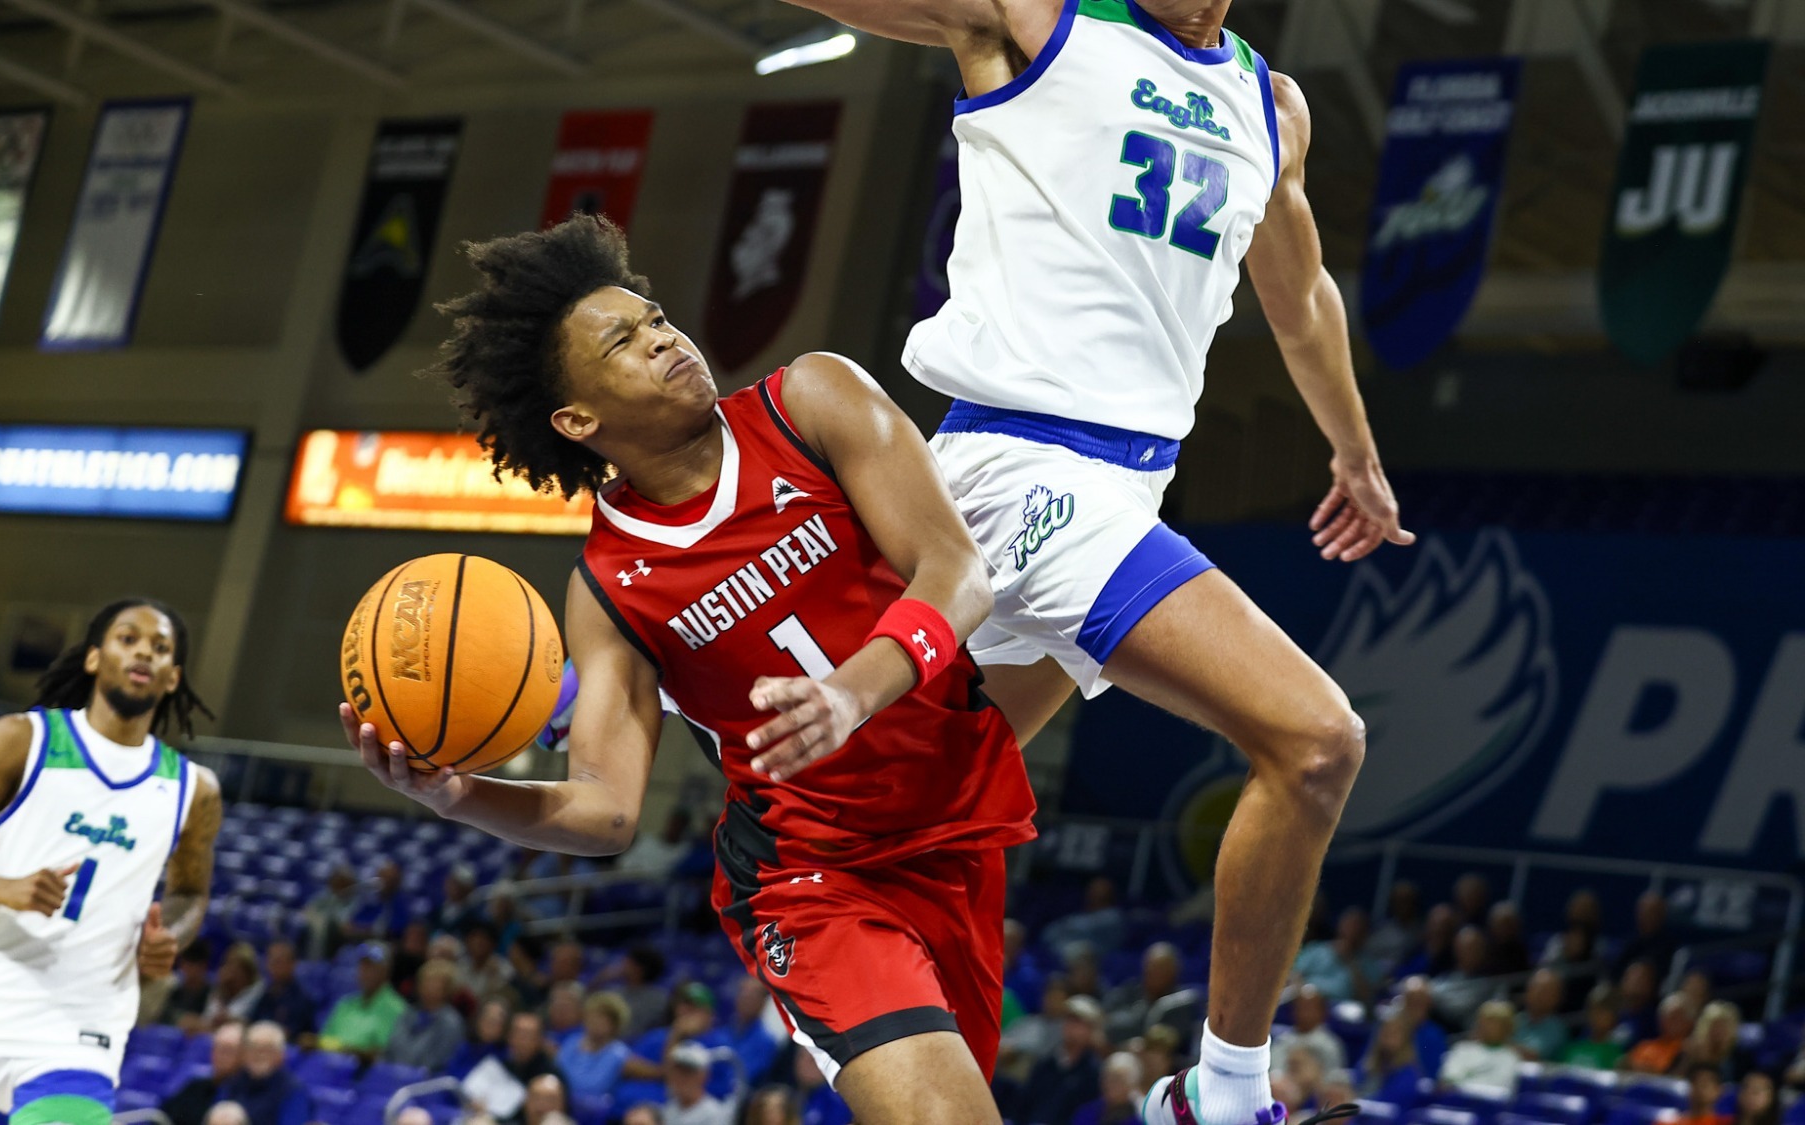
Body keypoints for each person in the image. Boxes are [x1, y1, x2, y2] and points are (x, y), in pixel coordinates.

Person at [779, 0, 1413, 1118]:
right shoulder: (1039, 18)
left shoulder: (1267, 105)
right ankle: (1219, 1095)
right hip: (1018, 464)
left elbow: (1299, 294)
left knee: (900, 813)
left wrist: (1353, 451)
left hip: (1113, 487)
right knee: (1316, 743)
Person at [351, 215, 1037, 1125]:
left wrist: (849, 692)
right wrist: (458, 797)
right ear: (577, 419)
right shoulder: (608, 590)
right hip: (811, 878)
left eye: (657, 318)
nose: (663, 338)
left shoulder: (813, 401)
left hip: (953, 829)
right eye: (623, 342)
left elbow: (955, 572)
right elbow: (606, 811)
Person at [0, 598, 223, 1125]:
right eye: (129, 638)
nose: (145, 652)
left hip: (83, 1026)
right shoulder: (22, 740)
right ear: (94, 658)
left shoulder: (194, 789)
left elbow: (190, 892)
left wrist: (171, 939)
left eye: (161, 648)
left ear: (172, 677)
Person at [1014, 997, 1106, 1125]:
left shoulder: (1094, 1072)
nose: (1071, 1027)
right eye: (1068, 1020)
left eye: (1078, 1022)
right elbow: (1024, 1105)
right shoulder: (1045, 1065)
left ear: (1091, 1030)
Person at [462, 1010, 560, 1122]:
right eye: (519, 1034)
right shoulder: (500, 1066)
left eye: (528, 1035)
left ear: (539, 1040)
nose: (522, 1040)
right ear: (509, 1037)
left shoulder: (551, 1077)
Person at [319, 942, 408, 1060]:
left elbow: (387, 1053)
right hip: (332, 1067)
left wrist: (354, 1052)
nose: (365, 972)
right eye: (363, 965)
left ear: (386, 970)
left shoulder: (398, 1009)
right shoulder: (345, 1004)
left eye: (371, 967)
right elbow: (324, 1040)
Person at [214, 1021, 314, 1125]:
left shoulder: (292, 1090)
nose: (259, 1055)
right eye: (253, 1047)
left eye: (266, 1049)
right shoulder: (233, 1081)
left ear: (280, 1056)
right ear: (244, 1052)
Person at [1103, 944, 1202, 1046]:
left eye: (1162, 969)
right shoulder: (1131, 991)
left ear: (1174, 972)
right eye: (1151, 966)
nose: (1154, 972)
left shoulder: (1181, 1003)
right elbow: (1110, 1024)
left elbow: (1168, 1038)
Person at [555, 992, 641, 1109]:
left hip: (593, 1111)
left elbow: (593, 1086)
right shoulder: (572, 1041)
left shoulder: (618, 1053)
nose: (595, 1023)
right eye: (592, 1017)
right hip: (561, 1104)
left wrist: (565, 1090)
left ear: (614, 1025)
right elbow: (556, 1073)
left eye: (602, 1019)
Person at [384, 958, 469, 1072]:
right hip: (394, 1074)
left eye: (435, 983)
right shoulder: (408, 1013)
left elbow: (438, 1061)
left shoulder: (452, 1023)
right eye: (426, 981)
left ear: (448, 989)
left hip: (426, 1082)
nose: (429, 987)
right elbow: (391, 1048)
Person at [1294, 908, 1380, 1004]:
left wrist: (1350, 961)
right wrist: (1302, 991)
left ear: (1364, 933)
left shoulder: (1368, 963)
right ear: (1340, 926)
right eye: (1349, 925)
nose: (1352, 931)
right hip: (1308, 1000)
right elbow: (1294, 974)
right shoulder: (1317, 949)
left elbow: (1366, 996)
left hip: (1342, 1007)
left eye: (1358, 927)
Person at [162, 1022, 243, 1125]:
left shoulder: (247, 1095)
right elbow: (163, 1117)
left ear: (242, 1055)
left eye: (228, 1050)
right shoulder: (196, 1086)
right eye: (217, 1048)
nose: (221, 1055)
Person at [1438, 1001, 1521, 1094]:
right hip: (1457, 1101)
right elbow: (1448, 1079)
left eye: (1494, 1023)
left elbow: (1499, 1089)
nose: (1487, 1027)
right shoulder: (1462, 1049)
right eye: (1485, 1022)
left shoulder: (1511, 1057)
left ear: (1507, 1028)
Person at [1432, 928, 1502, 1031]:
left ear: (1483, 950)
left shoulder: (1494, 979)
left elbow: (1463, 1006)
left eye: (1475, 948)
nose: (1470, 953)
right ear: (1457, 950)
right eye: (1466, 948)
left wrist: (1437, 998)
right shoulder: (1448, 976)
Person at [249, 940, 318, 1045]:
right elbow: (252, 1022)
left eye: (278, 961)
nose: (273, 966)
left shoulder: (302, 998)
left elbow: (292, 1034)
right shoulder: (265, 993)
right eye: (271, 961)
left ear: (292, 964)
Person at [1045, 878, 1127, 961]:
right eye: (1092, 891)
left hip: (1095, 958)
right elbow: (1048, 933)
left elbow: (1083, 927)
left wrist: (1067, 925)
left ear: (1109, 896)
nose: (1093, 895)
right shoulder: (1082, 915)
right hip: (1065, 954)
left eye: (1098, 892)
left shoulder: (1114, 916)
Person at [597, 945, 671, 1034]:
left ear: (639, 968)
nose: (623, 965)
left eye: (628, 963)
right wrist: (601, 978)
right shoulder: (614, 993)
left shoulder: (659, 1000)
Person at [1273, 986, 1345, 1074]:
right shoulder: (1283, 1041)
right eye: (1301, 1007)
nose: (1305, 1013)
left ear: (1323, 1012)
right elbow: (1276, 1073)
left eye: (1311, 1008)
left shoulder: (1330, 1044)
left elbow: (1333, 1077)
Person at [1385, 978, 1447, 1078]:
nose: (1416, 1007)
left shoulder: (1434, 1035)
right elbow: (1368, 1064)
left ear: (1428, 1004)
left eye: (1420, 1001)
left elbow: (1431, 1076)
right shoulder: (1388, 1028)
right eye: (1411, 1000)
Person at [300, 864, 362, 960]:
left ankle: (319, 961)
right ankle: (306, 960)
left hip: (341, 936)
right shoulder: (326, 896)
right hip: (322, 930)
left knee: (328, 929)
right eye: (337, 882)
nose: (340, 887)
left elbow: (346, 924)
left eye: (344, 883)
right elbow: (308, 910)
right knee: (307, 928)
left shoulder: (356, 902)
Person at [660, 1043, 732, 1125]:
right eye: (677, 1071)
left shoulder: (715, 1115)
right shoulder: (668, 1109)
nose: (680, 1077)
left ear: (703, 1076)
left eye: (687, 1072)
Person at [1359, 1017, 1423, 1108]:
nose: (1388, 1036)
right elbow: (1354, 1085)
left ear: (1405, 1040)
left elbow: (1388, 1105)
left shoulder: (1408, 1074)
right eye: (1385, 1031)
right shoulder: (1368, 1064)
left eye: (1394, 1033)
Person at [1685, 1000, 1755, 1082]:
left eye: (1723, 1027)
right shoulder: (1695, 1050)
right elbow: (1679, 1078)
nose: (1718, 1031)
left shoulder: (1740, 1054)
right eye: (1715, 1026)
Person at [1626, 992, 1694, 1075]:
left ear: (1690, 1022)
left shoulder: (1691, 1052)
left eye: (1677, 1017)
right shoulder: (1644, 1048)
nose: (1671, 1022)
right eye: (1667, 1017)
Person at [1560, 984, 1625, 1070]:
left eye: (1603, 1012)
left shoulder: (1616, 1054)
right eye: (1594, 1010)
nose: (1597, 1016)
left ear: (1614, 1016)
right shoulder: (1572, 1048)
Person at [1615, 893, 1679, 979]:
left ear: (1662, 915)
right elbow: (1616, 971)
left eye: (1652, 912)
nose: (1644, 916)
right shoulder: (1631, 942)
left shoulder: (1668, 946)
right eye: (1642, 911)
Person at [1074, 1052, 1144, 1125]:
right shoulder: (1087, 1112)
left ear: (1131, 1084)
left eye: (1117, 1079)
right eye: (1106, 1077)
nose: (1109, 1084)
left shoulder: (1140, 1117)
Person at [1365, 884, 1424, 972]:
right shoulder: (1381, 932)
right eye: (1398, 900)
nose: (1403, 906)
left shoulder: (1424, 932)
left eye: (1407, 900)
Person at [1513, 970, 1569, 1062]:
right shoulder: (1515, 1020)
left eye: (1546, 991)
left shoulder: (1558, 1029)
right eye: (1535, 988)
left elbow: (1533, 1057)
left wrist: (1502, 1044)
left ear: (1557, 997)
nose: (1538, 994)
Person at [205, 942, 264, 1028]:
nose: (230, 971)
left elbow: (236, 1017)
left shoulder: (257, 990)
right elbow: (209, 1018)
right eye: (228, 964)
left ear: (247, 972)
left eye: (237, 967)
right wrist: (222, 989)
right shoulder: (220, 988)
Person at [432, 864, 484, 935]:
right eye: (450, 882)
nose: (450, 887)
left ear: (468, 888)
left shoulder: (475, 913)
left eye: (456, 884)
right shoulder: (440, 910)